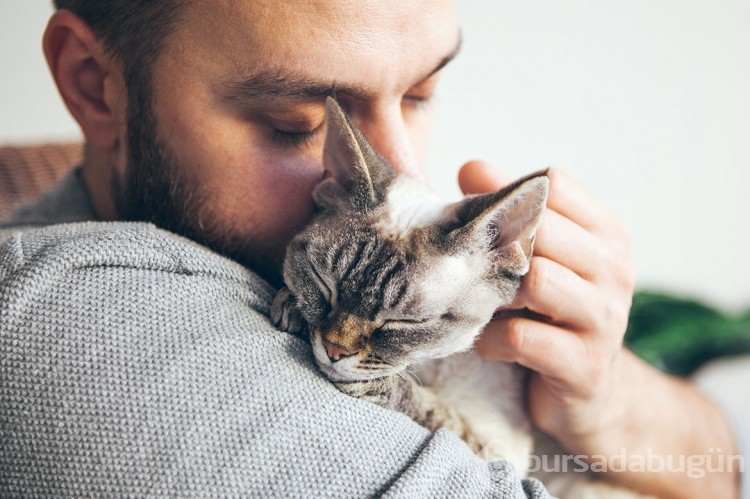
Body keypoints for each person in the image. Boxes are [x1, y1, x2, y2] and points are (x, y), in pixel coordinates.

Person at [0, 1, 742, 497]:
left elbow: (727, 467)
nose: (403, 170)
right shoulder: (72, 328)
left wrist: (610, 400)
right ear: (94, 85)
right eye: (299, 123)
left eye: (420, 92)